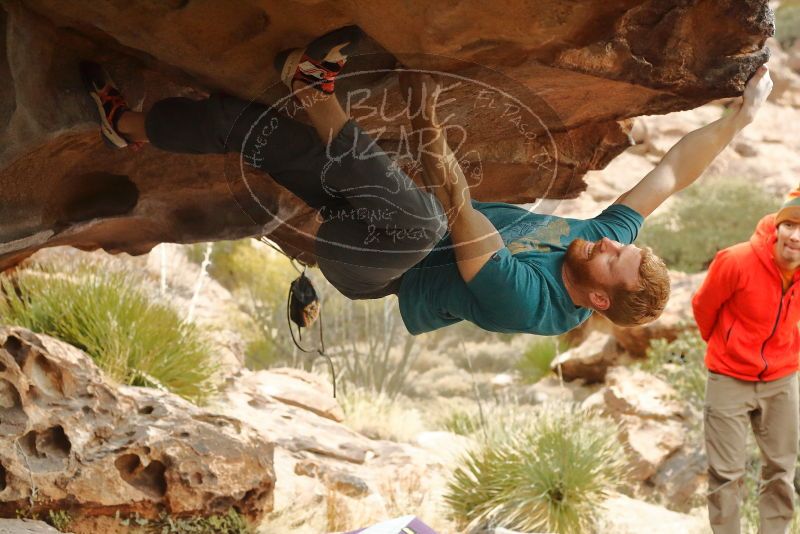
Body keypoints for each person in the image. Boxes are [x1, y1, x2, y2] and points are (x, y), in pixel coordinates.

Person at [81, 25, 772, 336]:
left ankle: (319, 95)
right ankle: (128, 125)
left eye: (618, 259)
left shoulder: (528, 306)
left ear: (596, 297)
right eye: (625, 246)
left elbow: (456, 217)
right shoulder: (597, 243)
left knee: (422, 220)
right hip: (379, 205)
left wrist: (430, 135)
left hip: (372, 263)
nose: (616, 240)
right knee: (261, 134)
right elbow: (671, 174)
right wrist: (738, 121)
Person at [692, 186, 800, 534]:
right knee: (725, 476)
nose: (795, 237)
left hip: (782, 379)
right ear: (778, 226)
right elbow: (703, 307)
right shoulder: (736, 260)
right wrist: (727, 346)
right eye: (790, 225)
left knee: (781, 471)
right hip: (729, 378)